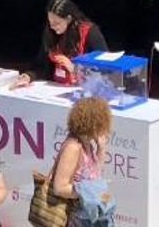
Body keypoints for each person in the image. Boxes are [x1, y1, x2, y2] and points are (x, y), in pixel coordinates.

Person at [52, 97, 113, 226]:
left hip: (89, 214)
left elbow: (95, 175)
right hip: (76, 217)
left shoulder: (88, 144)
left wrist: (101, 148)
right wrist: (87, 192)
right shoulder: (73, 148)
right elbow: (59, 187)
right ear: (94, 124)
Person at [20, 0, 108, 85]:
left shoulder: (90, 33)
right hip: (56, 86)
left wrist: (75, 68)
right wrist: (29, 76)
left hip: (84, 87)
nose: (52, 27)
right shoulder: (51, 32)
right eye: (50, 22)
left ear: (68, 19)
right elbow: (41, 65)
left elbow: (105, 68)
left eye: (57, 23)